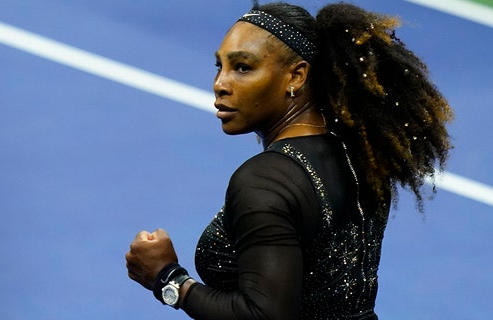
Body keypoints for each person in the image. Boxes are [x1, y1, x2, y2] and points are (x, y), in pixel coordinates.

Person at [125, 1, 453, 319]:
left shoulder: (264, 182)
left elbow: (263, 315)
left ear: (296, 76)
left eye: (242, 67)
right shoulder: (359, 153)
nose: (220, 84)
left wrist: (169, 279)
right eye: (219, 66)